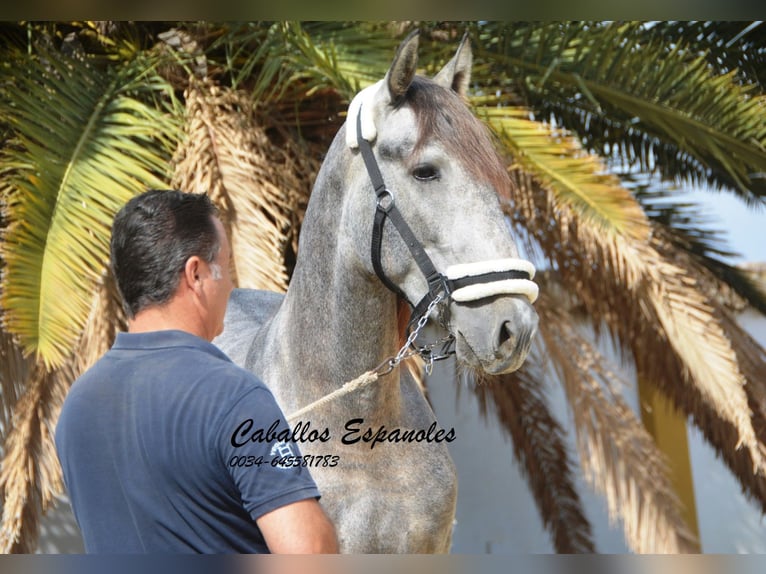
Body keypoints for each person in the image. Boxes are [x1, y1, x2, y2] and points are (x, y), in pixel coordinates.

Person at [55, 189, 338, 553]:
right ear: (196, 274)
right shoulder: (234, 397)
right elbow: (309, 552)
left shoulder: (77, 407)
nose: (232, 286)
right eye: (226, 265)